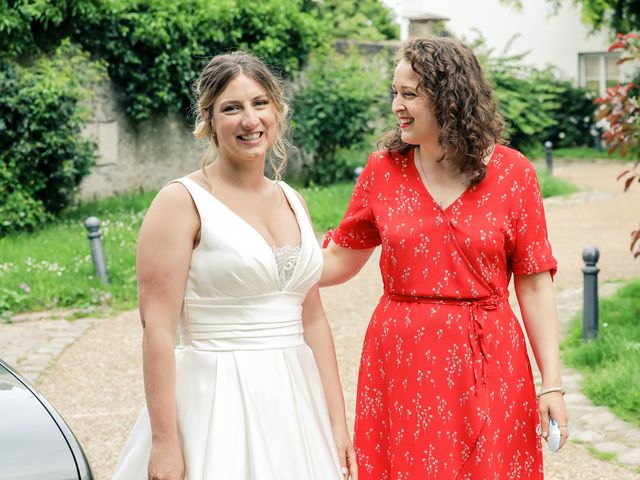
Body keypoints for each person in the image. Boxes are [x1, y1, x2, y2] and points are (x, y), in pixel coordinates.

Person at [321, 37, 569, 479]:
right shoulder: (382, 170)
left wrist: (551, 382)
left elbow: (533, 282)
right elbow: (339, 261)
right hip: (402, 361)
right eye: (394, 92)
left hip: (490, 355)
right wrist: (262, 267)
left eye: (410, 94)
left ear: (450, 97)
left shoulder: (514, 173)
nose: (397, 105)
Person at [113, 51, 356, 480]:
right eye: (232, 108)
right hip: (216, 402)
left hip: (295, 407)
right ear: (208, 120)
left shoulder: (292, 199)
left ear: (277, 110)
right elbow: (158, 328)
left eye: (260, 103)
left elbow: (313, 319)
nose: (250, 120)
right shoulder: (180, 201)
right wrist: (165, 442)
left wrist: (336, 425)